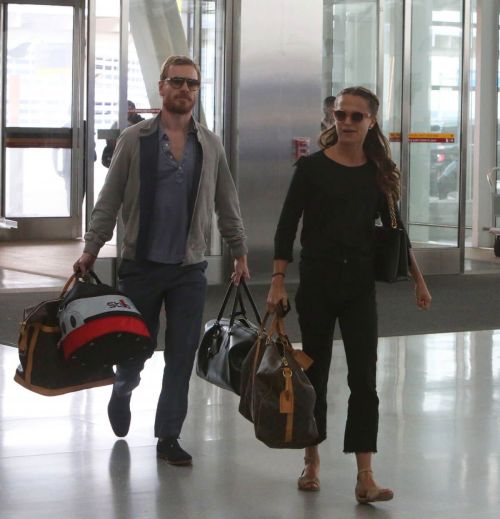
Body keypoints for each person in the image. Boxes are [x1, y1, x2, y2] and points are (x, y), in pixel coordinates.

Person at [74, 55, 249, 465]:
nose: (184, 90)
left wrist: (239, 249)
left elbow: (227, 201)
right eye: (177, 82)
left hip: (189, 268)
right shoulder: (134, 140)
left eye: (191, 84)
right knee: (136, 349)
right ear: (162, 87)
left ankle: (168, 435)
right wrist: (91, 247)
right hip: (141, 265)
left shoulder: (209, 143)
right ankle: (123, 388)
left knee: (182, 353)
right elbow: (110, 197)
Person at [266, 86, 431, 501]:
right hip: (318, 281)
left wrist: (419, 278)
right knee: (314, 375)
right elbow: (287, 226)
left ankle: (365, 475)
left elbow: (395, 232)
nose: (347, 122)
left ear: (372, 121)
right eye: (341, 114)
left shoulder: (378, 173)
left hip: (358, 285)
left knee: (364, 378)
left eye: (357, 116)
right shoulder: (311, 169)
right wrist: (278, 278)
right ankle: (311, 459)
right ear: (333, 118)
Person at [101, 100, 144, 168]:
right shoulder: (117, 125)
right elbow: (108, 141)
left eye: (129, 109)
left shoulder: (142, 123)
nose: (127, 112)